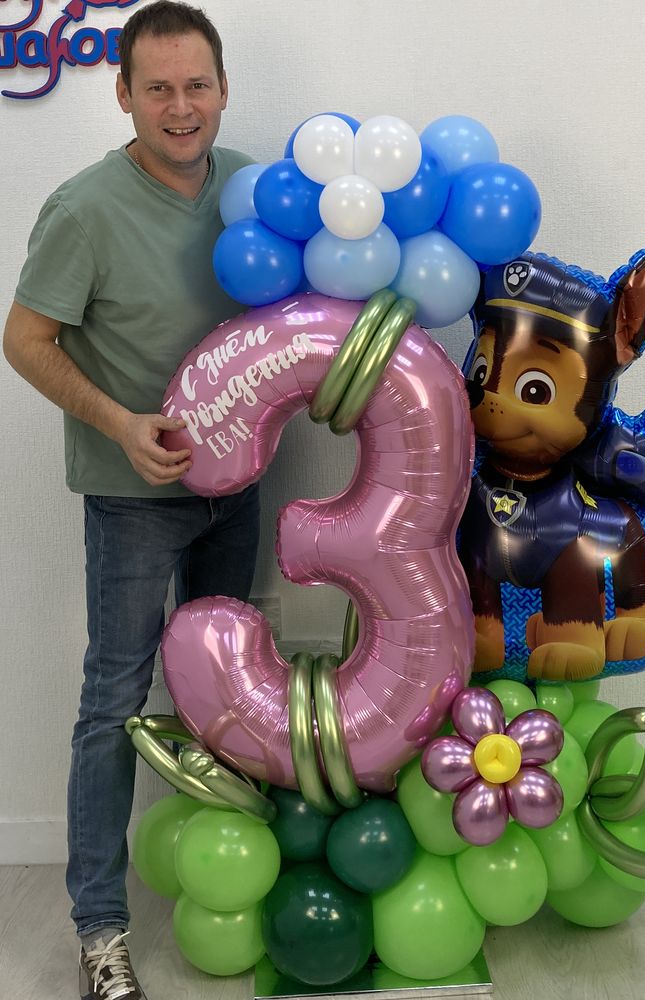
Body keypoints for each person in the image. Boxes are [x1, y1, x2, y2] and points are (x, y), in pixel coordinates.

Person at [3, 3, 260, 997]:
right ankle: (100, 929)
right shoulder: (83, 209)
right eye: (158, 88)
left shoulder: (255, 191)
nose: (180, 106)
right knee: (114, 701)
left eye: (196, 85)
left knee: (232, 695)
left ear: (224, 89)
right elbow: (24, 340)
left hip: (238, 493)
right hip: (133, 499)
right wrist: (118, 423)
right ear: (122, 94)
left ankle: (232, 883)